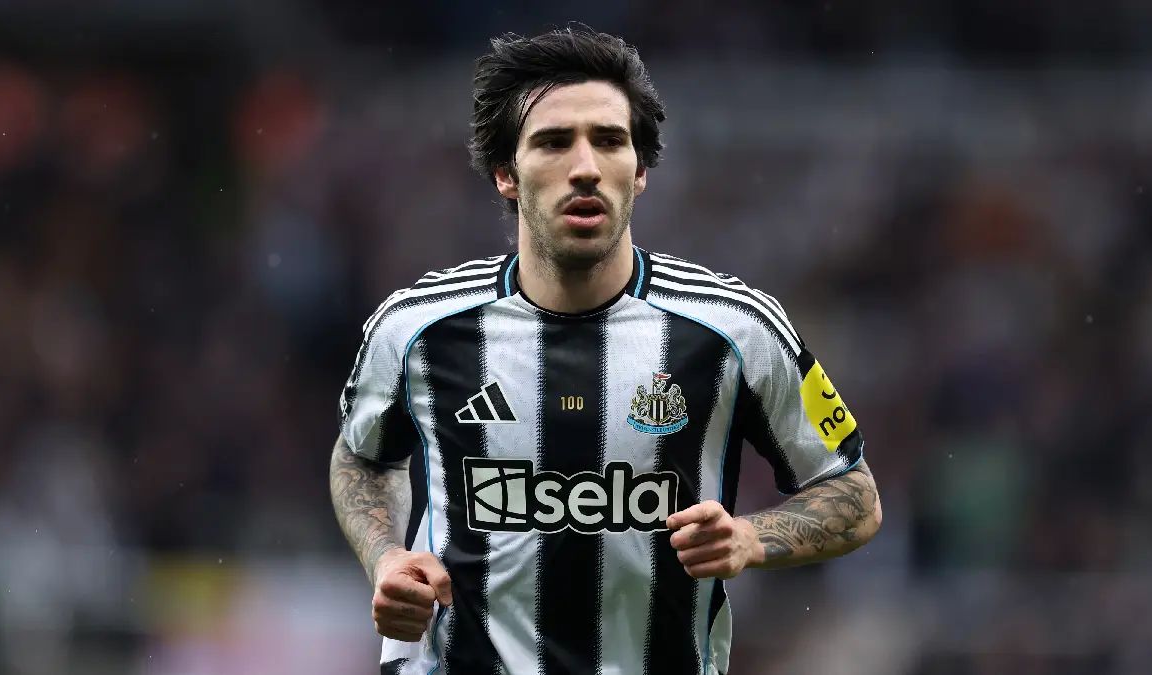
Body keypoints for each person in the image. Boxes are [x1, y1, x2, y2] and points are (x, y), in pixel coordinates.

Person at [330, 26, 882, 675]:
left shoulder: (736, 329)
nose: (586, 165)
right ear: (506, 172)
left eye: (610, 141)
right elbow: (363, 456)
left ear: (641, 170)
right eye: (555, 141)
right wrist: (387, 557)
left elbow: (855, 494)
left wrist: (749, 537)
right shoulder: (417, 328)